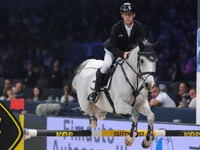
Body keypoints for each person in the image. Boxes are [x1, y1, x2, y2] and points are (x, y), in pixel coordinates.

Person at [88, 2, 148, 103]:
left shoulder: (139, 27)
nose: (128, 17)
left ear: (134, 15)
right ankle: (95, 91)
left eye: (130, 14)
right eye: (125, 15)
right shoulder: (116, 27)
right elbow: (113, 46)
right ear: (122, 16)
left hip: (128, 51)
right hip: (113, 50)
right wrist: (122, 54)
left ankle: (143, 93)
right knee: (107, 65)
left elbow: (145, 41)